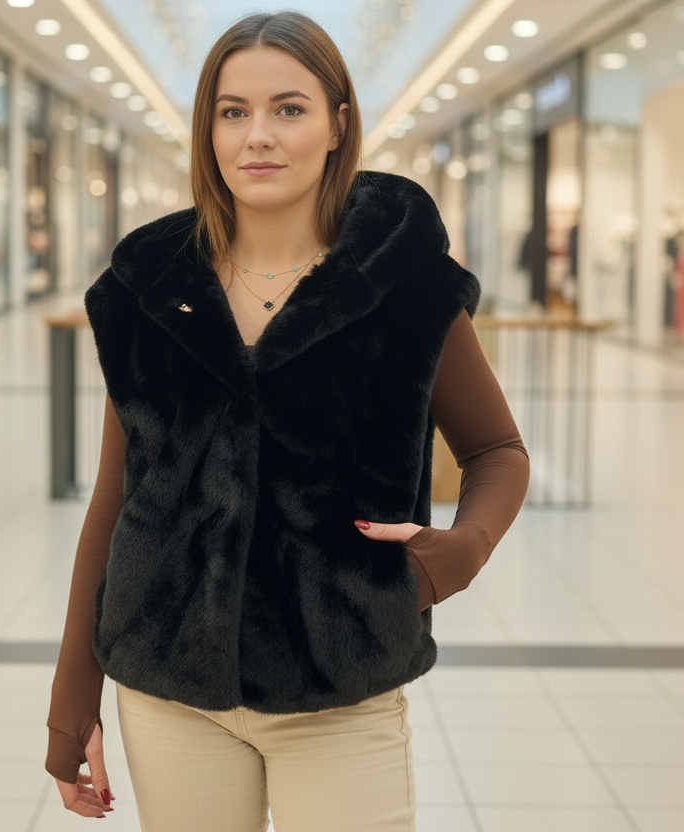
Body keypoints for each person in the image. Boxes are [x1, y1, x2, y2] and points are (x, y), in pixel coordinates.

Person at [46, 11, 529, 831]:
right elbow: (116, 496)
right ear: (207, 128)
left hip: (340, 686)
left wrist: (462, 553)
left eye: (290, 108)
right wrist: (71, 699)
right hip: (169, 685)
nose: (257, 136)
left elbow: (496, 450)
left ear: (339, 124)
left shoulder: (405, 285)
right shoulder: (147, 288)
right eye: (232, 111)